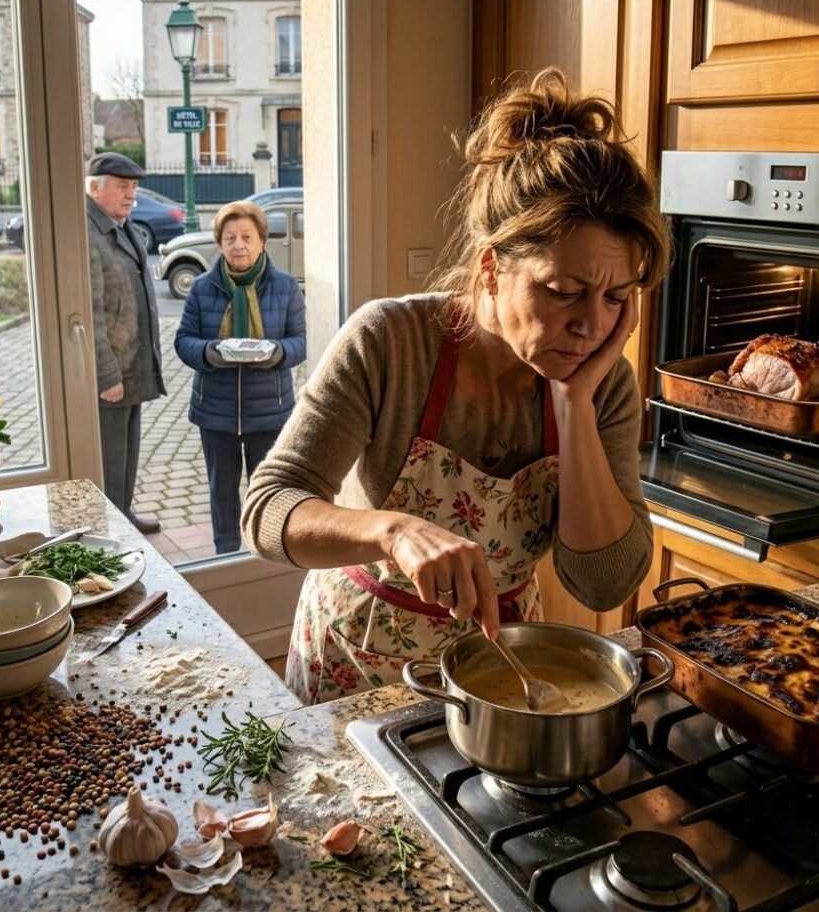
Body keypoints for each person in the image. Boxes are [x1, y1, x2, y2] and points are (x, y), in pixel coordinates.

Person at [241, 67, 672, 704]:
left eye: (616, 298)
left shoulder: (602, 383)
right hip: (358, 664)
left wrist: (574, 404)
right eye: (563, 292)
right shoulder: (391, 342)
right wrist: (391, 531)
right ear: (493, 268)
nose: (589, 327)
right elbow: (267, 508)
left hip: (500, 667)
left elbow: (605, 584)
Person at [174, 200, 306, 554]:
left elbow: (300, 341)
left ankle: (266, 553)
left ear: (263, 240)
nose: (239, 245)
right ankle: (226, 554)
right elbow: (183, 340)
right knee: (222, 491)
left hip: (270, 410)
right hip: (215, 413)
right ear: (219, 242)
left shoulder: (285, 286)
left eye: (247, 236)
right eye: (230, 237)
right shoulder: (202, 287)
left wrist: (278, 353)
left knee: (267, 490)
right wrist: (209, 353)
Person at [85, 151, 165, 535]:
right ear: (95, 188)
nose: (131, 194)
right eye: (122, 186)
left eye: (134, 186)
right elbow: (91, 312)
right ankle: (110, 529)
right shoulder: (87, 233)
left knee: (129, 452)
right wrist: (106, 374)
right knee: (111, 458)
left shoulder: (121, 224)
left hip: (132, 364)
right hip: (113, 372)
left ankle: (125, 515)